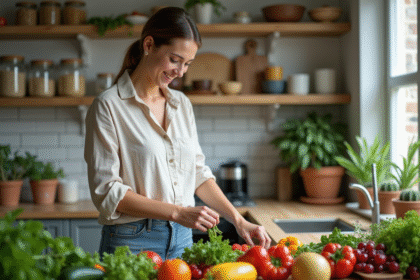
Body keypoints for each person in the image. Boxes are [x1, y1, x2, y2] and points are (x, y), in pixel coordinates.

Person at [84, 6, 271, 261]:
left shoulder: (181, 104)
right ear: (149, 45)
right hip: (132, 240)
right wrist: (178, 212)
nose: (180, 72)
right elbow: (108, 192)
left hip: (182, 238)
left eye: (187, 64)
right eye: (174, 59)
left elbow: (198, 174)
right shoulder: (109, 106)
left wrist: (238, 221)